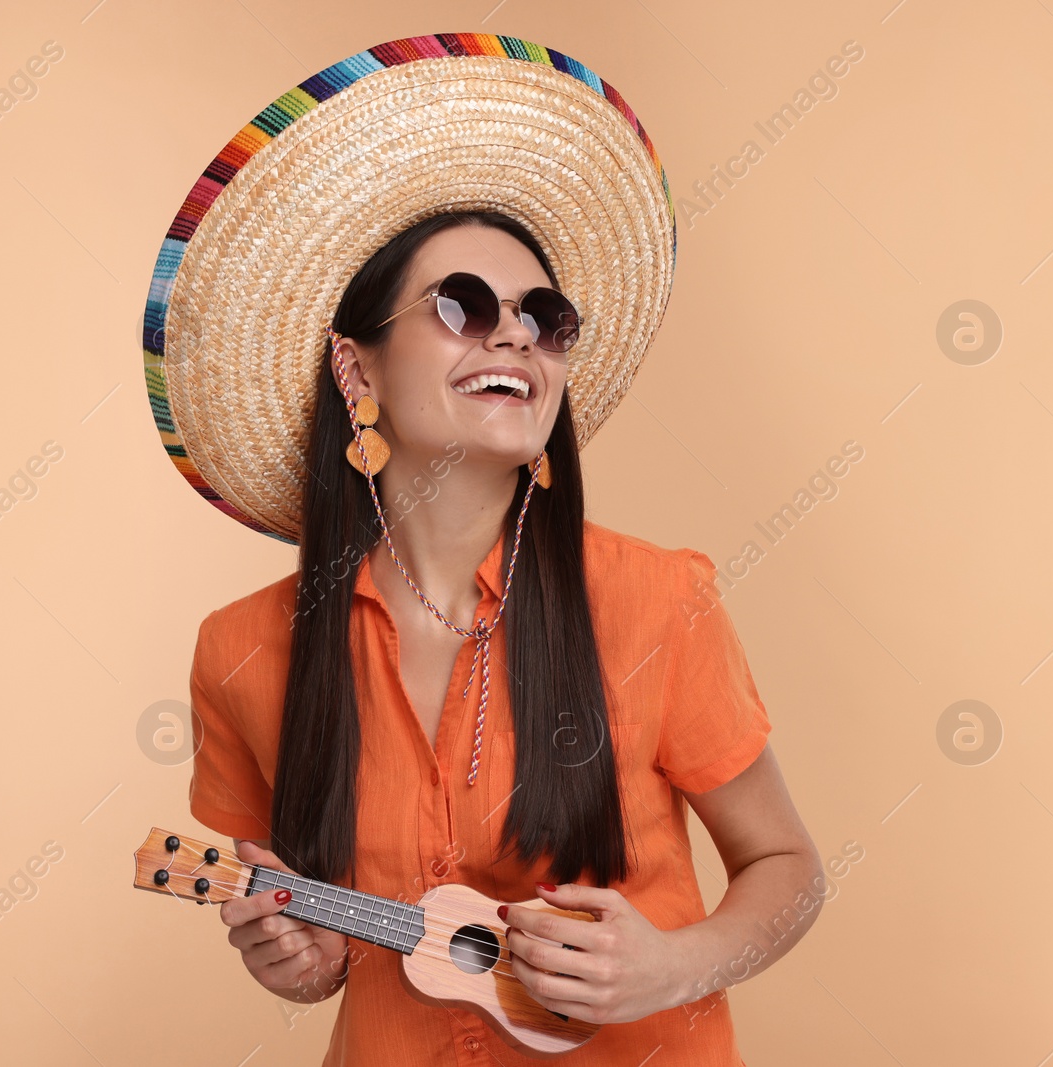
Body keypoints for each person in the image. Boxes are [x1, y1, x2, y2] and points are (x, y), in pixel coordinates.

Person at [141, 33, 823, 1066]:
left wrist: (676, 965)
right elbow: (310, 935)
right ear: (353, 367)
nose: (515, 336)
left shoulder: (657, 599)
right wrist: (299, 957)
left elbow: (787, 864)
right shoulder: (241, 652)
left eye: (545, 318)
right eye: (463, 306)